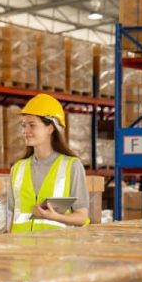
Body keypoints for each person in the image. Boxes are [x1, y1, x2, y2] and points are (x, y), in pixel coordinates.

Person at [8, 93, 90, 232]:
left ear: (50, 129)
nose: (25, 131)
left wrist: (55, 216)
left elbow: (81, 217)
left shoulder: (72, 166)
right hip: (21, 249)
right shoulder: (17, 168)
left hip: (56, 249)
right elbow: (11, 216)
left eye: (32, 125)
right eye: (23, 125)